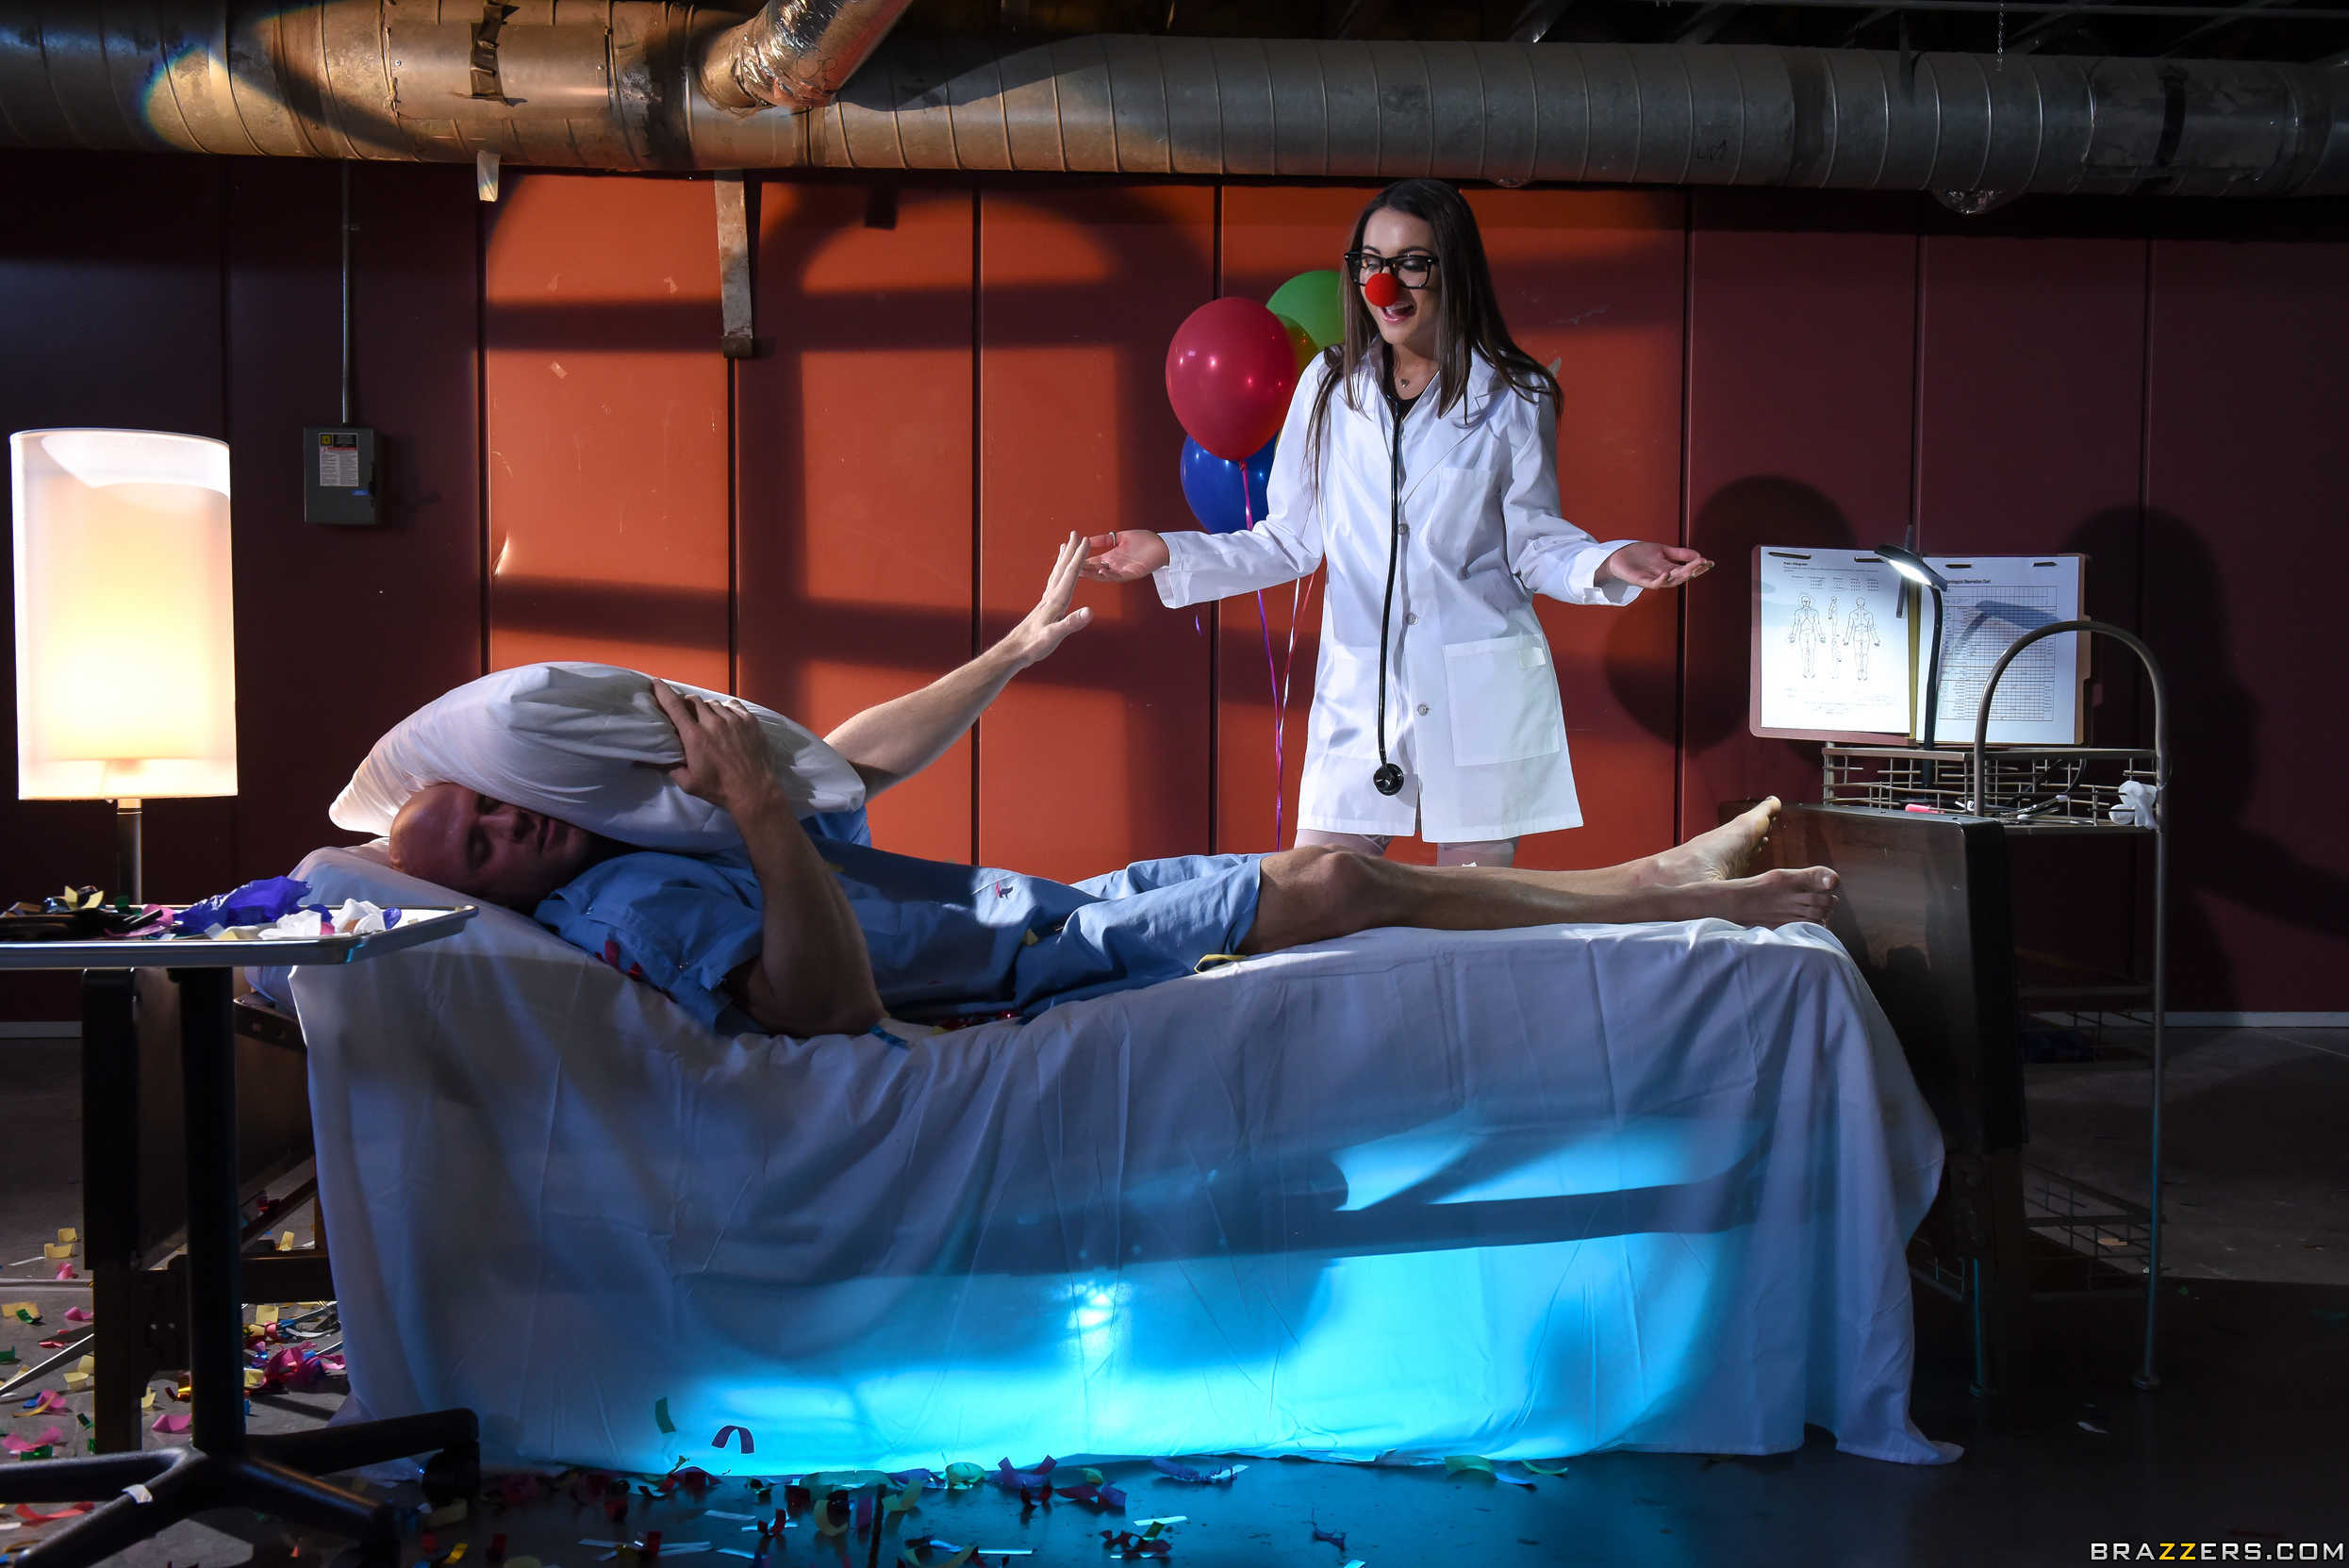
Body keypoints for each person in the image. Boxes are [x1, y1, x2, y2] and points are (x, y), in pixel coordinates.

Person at [389, 541, 1838, 1038]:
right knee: (1335, 874)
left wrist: (1015, 648)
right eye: (486, 842)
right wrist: (763, 820)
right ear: (483, 891)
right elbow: (815, 1011)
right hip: (1032, 967)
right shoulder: (622, 904)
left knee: (1335, 875)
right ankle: (1663, 895)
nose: (512, 820)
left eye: (491, 799)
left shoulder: (624, 826)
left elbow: (847, 760)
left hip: (1051, 909)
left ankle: (1656, 883)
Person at [1083, 178, 1712, 868]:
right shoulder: (1329, 387)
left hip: (1478, 689)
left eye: (1412, 263)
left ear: (1454, 269)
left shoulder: (1514, 393)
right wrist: (1168, 552)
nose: (1385, 286)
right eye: (1370, 263)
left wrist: (1606, 560)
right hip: (1361, 696)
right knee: (1318, 893)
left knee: (1468, 913)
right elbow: (1290, 540)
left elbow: (1533, 544)